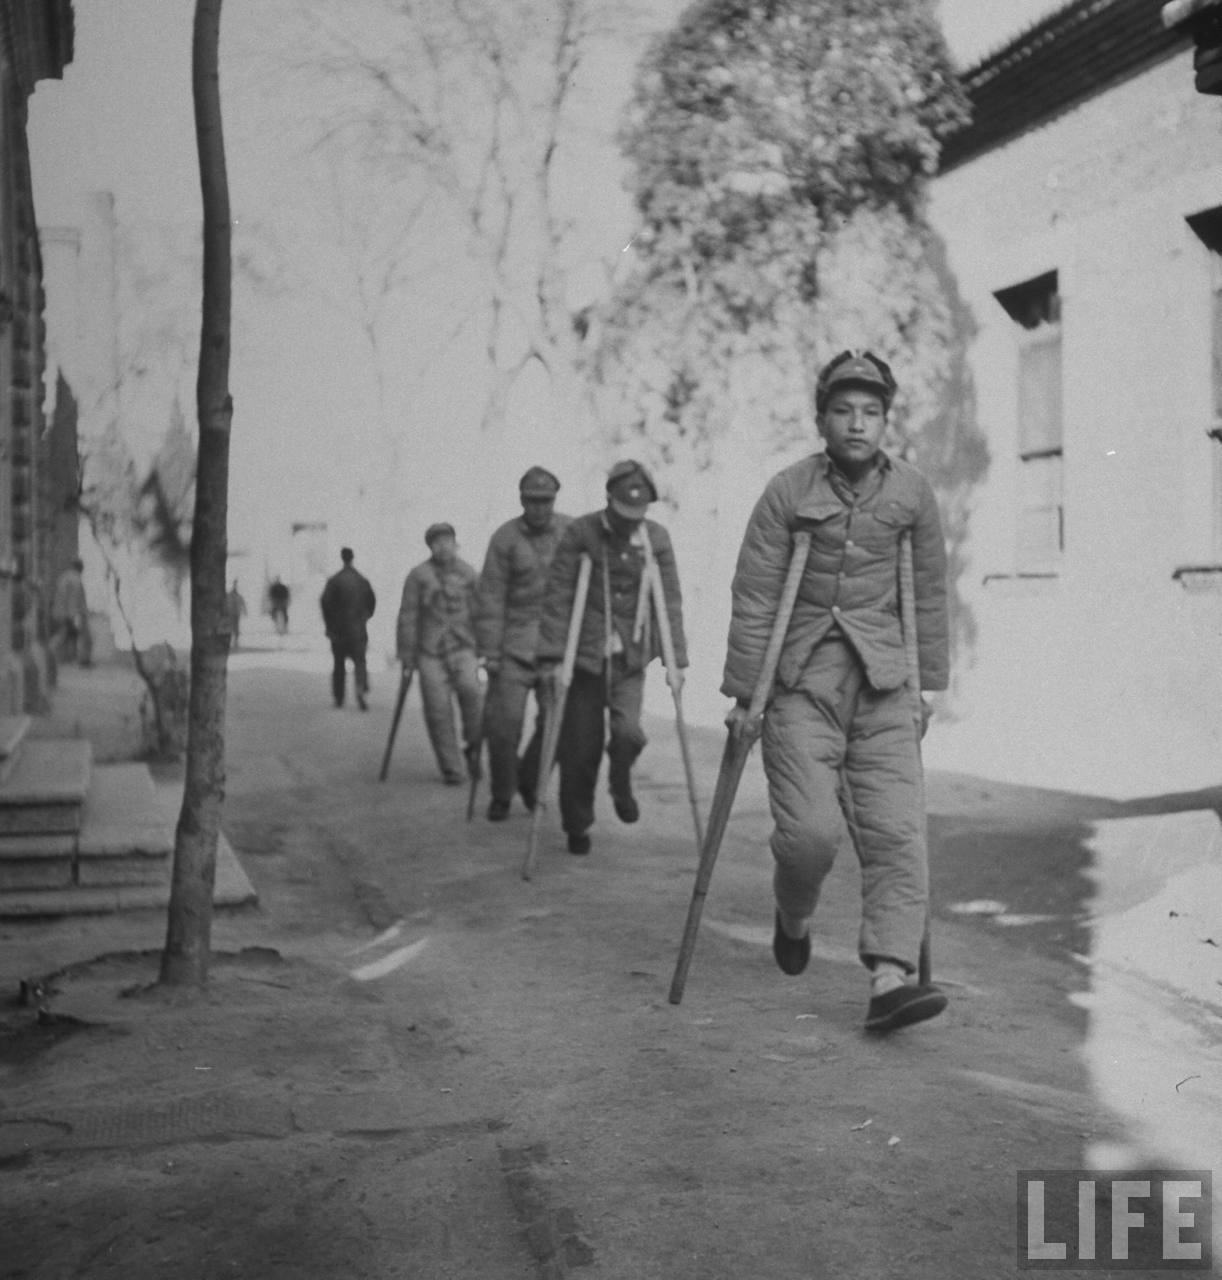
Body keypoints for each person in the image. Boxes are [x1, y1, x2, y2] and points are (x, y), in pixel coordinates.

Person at [721, 349, 950, 1035]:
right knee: (809, 839)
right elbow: (756, 597)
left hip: (884, 684)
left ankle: (889, 978)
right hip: (800, 685)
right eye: (843, 411)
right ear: (821, 419)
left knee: (897, 832)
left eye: (870, 412)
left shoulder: (912, 494)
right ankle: (793, 916)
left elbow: (928, 594)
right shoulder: (787, 492)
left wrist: (927, 687)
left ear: (885, 421)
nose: (857, 423)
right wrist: (745, 695)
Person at [536, 460, 687, 856]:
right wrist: (553, 656)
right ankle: (577, 824)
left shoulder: (656, 538)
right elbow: (558, 596)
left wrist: (676, 660)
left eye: (638, 511)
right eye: (623, 511)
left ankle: (620, 781)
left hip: (629, 659)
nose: (629, 520)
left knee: (627, 734)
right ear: (608, 500)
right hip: (584, 658)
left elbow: (669, 601)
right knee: (580, 750)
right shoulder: (581, 532)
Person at [475, 466, 573, 821]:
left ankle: (531, 780)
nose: (539, 508)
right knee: (503, 727)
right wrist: (490, 653)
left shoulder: (571, 532)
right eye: (532, 501)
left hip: (557, 647)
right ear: (521, 500)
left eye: (546, 501)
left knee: (557, 723)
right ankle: (502, 792)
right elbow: (490, 598)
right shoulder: (505, 538)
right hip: (513, 648)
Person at [397, 523, 483, 785]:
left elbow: (482, 611)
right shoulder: (418, 575)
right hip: (430, 651)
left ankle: (474, 749)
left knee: (473, 697)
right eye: (437, 542)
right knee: (437, 711)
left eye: (447, 541)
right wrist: (407, 654)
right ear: (430, 547)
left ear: (455, 543)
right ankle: (451, 767)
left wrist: (486, 646)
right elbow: (408, 615)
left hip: (464, 646)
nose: (443, 547)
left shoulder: (469, 573)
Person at [319, 548, 377, 710]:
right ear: (352, 558)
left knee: (339, 664)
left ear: (342, 558)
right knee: (360, 661)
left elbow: (325, 604)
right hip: (358, 628)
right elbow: (372, 603)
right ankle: (360, 690)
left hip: (339, 630)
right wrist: (364, 617)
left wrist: (329, 625)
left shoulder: (334, 580)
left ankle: (339, 697)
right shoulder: (362, 580)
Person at [50, 559, 92, 667]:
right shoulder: (76, 579)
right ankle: (82, 659)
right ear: (80, 568)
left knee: (65, 634)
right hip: (71, 613)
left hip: (60, 612)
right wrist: (76, 615)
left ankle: (59, 656)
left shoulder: (64, 577)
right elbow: (75, 599)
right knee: (75, 635)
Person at [224, 580, 247, 651]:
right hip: (231, 613)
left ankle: (235, 641)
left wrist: (244, 611)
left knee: (235, 627)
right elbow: (226, 603)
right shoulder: (230, 595)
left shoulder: (237, 596)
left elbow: (242, 604)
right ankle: (232, 641)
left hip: (236, 614)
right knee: (232, 627)